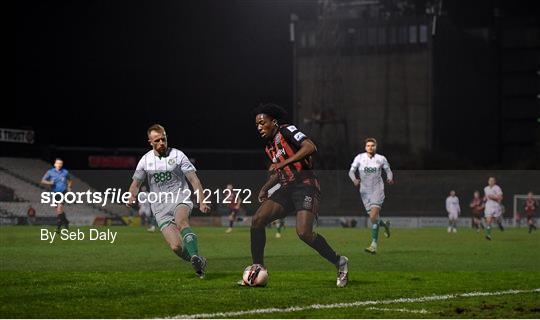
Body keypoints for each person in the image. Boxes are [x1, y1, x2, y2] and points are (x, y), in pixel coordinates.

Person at [247, 103, 348, 287]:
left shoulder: (286, 130)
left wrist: (284, 162)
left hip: (306, 185)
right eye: (257, 125)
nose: (259, 127)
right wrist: (265, 187)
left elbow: (310, 147)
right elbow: (281, 172)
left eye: (262, 123)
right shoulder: (269, 148)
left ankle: (339, 262)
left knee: (304, 233)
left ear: (274, 122)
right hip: (287, 189)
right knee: (257, 220)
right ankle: (258, 266)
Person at [127, 124, 211, 278]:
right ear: (150, 142)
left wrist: (202, 200)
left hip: (180, 198)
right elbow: (135, 184)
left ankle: (194, 254)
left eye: (163, 139)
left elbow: (194, 180)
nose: (161, 143)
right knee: (176, 247)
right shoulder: (145, 160)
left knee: (181, 221)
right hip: (159, 206)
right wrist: (131, 196)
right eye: (157, 140)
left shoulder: (178, 155)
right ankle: (197, 260)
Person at [349, 138, 393, 254]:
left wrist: (389, 178)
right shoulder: (359, 158)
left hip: (377, 190)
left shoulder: (381, 158)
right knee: (375, 219)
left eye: (372, 145)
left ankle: (373, 245)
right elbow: (351, 171)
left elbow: (388, 170)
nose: (370, 147)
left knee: (373, 216)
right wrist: (354, 180)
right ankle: (385, 225)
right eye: (368, 145)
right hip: (364, 191)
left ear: (376, 146)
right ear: (365, 147)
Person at [41, 158, 72, 233]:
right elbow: (42, 180)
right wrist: (50, 183)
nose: (59, 165)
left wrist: (69, 187)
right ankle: (66, 222)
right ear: (55, 164)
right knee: (59, 211)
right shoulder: (50, 172)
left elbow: (70, 180)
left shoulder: (65, 172)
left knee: (59, 209)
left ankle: (58, 227)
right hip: (55, 193)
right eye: (58, 163)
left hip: (63, 192)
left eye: (61, 163)